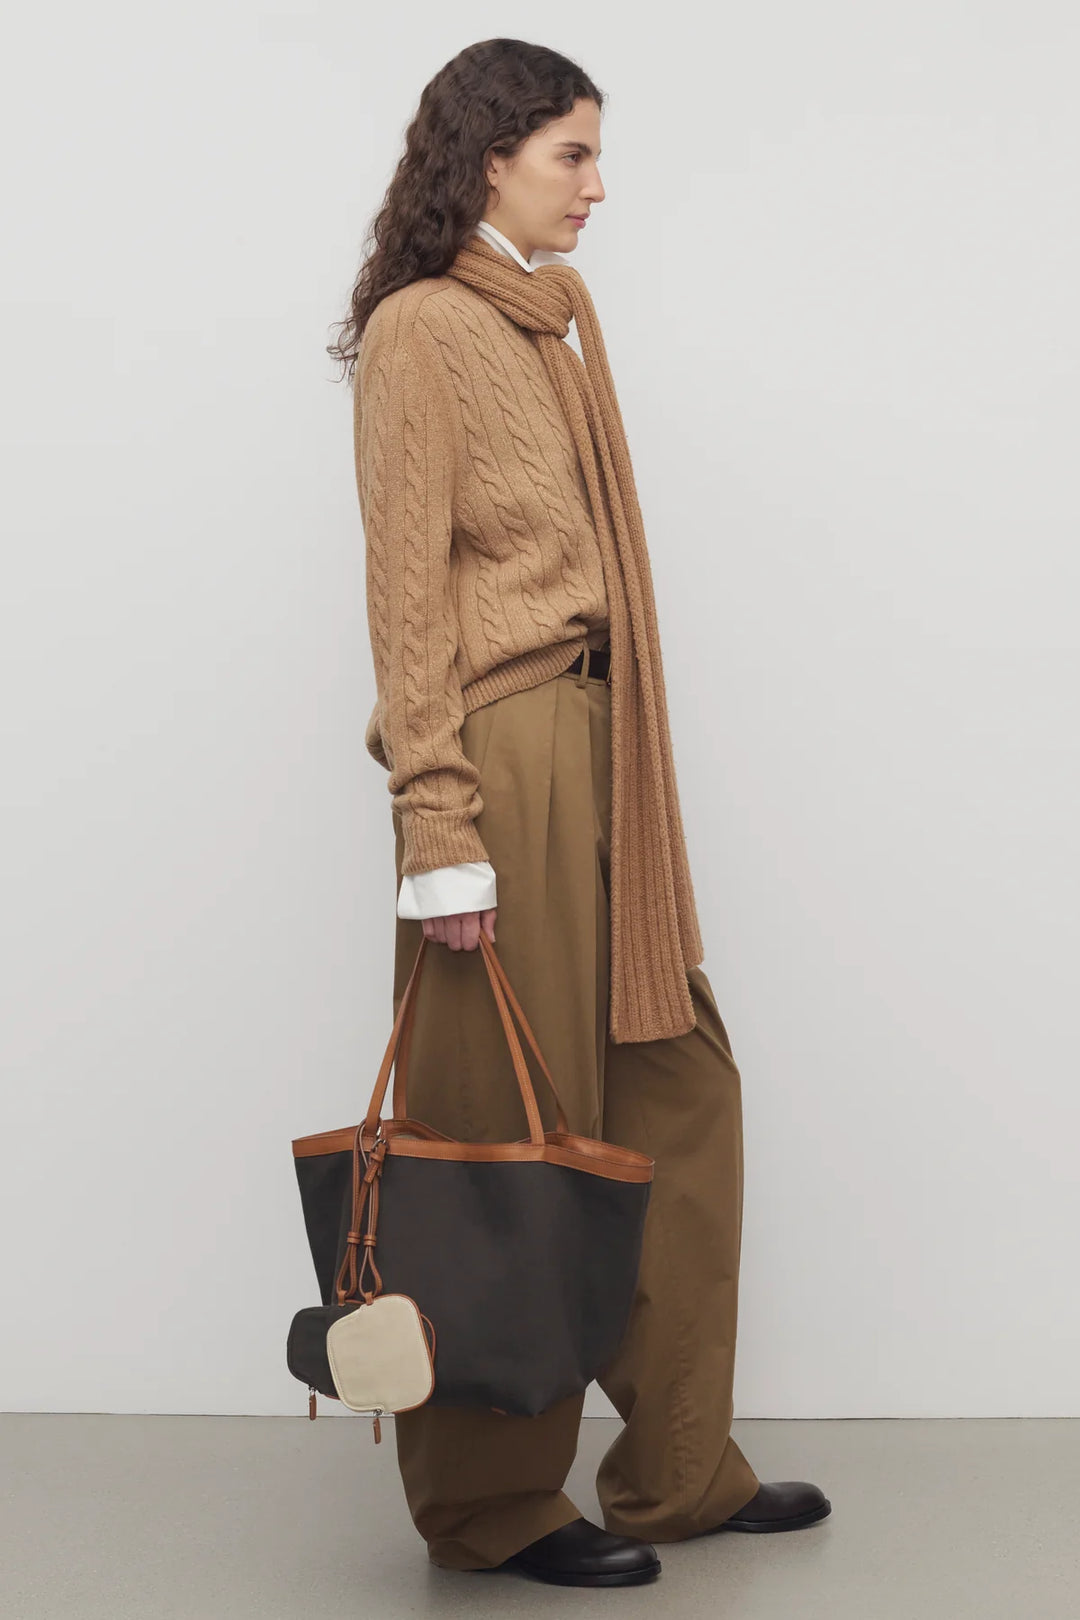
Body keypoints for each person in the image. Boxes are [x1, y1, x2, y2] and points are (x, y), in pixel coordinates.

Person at [328, 36, 830, 1589]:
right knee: (506, 1127)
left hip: (610, 745)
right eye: (573, 155)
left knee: (679, 1093)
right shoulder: (423, 329)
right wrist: (438, 823)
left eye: (597, 154)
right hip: (509, 748)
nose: (599, 186)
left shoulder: (557, 314)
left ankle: (676, 1468)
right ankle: (491, 1506)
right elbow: (408, 590)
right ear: (490, 160)